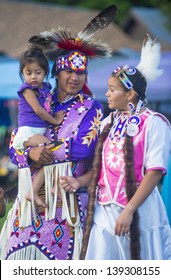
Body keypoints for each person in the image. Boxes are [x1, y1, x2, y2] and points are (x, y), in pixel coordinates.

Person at [0, 5, 118, 260]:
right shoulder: (39, 100)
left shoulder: (91, 107)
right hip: (29, 203)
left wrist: (45, 150)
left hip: (66, 202)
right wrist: (31, 154)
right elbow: (14, 146)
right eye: (68, 71)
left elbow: (83, 148)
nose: (74, 78)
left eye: (80, 72)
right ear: (56, 72)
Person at [60, 34, 171, 260]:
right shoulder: (109, 122)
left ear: (130, 93)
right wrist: (79, 181)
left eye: (112, 89)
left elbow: (154, 171)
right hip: (103, 209)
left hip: (140, 211)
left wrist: (129, 210)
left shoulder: (154, 123)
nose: (107, 93)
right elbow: (102, 167)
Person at [13, 45, 65, 208]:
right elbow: (39, 110)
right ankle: (48, 186)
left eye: (38, 72)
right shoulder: (27, 89)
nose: (33, 77)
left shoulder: (46, 88)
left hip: (35, 132)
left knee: (49, 156)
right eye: (28, 73)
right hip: (28, 132)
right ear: (22, 74)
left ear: (46, 73)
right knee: (55, 149)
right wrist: (55, 121)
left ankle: (40, 188)